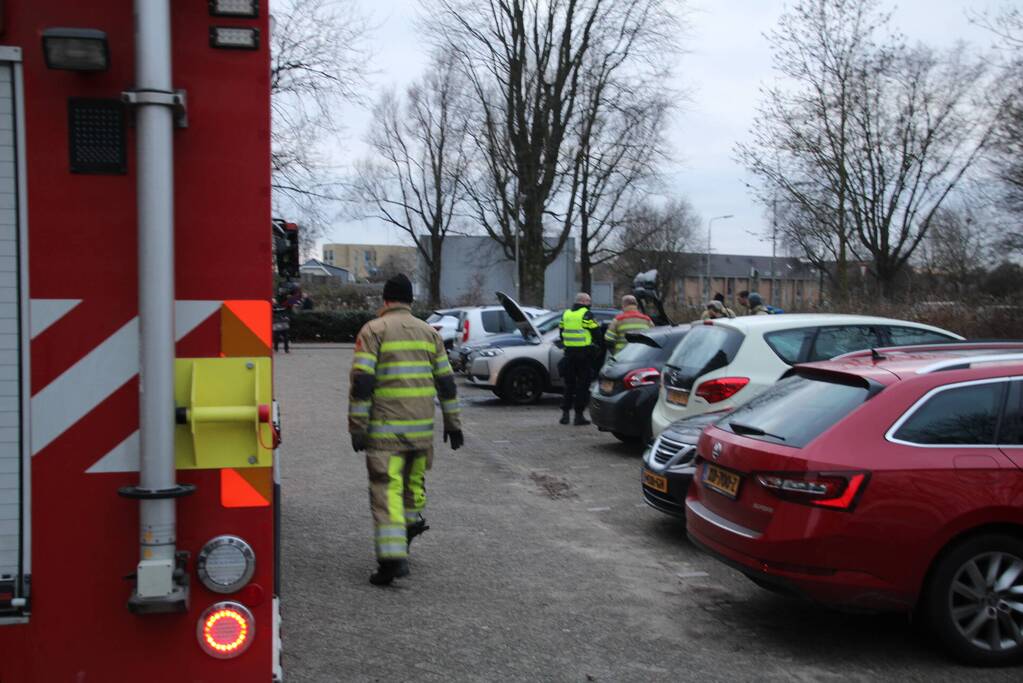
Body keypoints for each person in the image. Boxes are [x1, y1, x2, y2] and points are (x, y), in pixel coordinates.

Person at [347, 273, 464, 586]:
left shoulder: (374, 330)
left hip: (387, 432)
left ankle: (392, 560)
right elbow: (447, 383)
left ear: (385, 300)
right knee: (412, 483)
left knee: (387, 490)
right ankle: (410, 526)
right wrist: (453, 424)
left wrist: (357, 426)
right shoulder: (430, 333)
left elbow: (364, 383)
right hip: (420, 431)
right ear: (410, 301)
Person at [558, 292, 600, 426]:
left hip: (569, 354)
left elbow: (561, 333)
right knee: (583, 385)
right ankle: (578, 416)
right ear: (583, 301)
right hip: (584, 355)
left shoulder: (566, 314)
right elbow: (596, 332)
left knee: (569, 385)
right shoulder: (586, 314)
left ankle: (565, 415)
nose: (590, 304)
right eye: (589, 301)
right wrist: (597, 346)